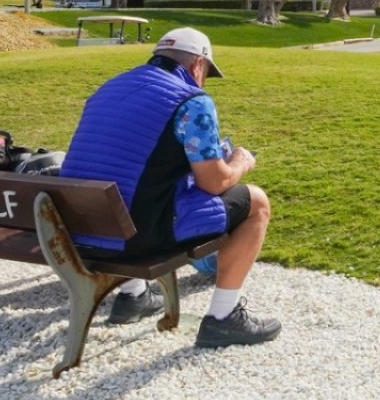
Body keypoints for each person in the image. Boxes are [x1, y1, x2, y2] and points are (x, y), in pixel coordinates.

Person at [61, 28, 280, 346]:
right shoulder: (192, 100)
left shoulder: (109, 88)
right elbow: (214, 182)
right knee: (257, 202)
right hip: (135, 237)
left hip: (77, 229)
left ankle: (133, 295)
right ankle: (224, 318)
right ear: (198, 65)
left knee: (127, 189)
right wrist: (240, 162)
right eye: (206, 74)